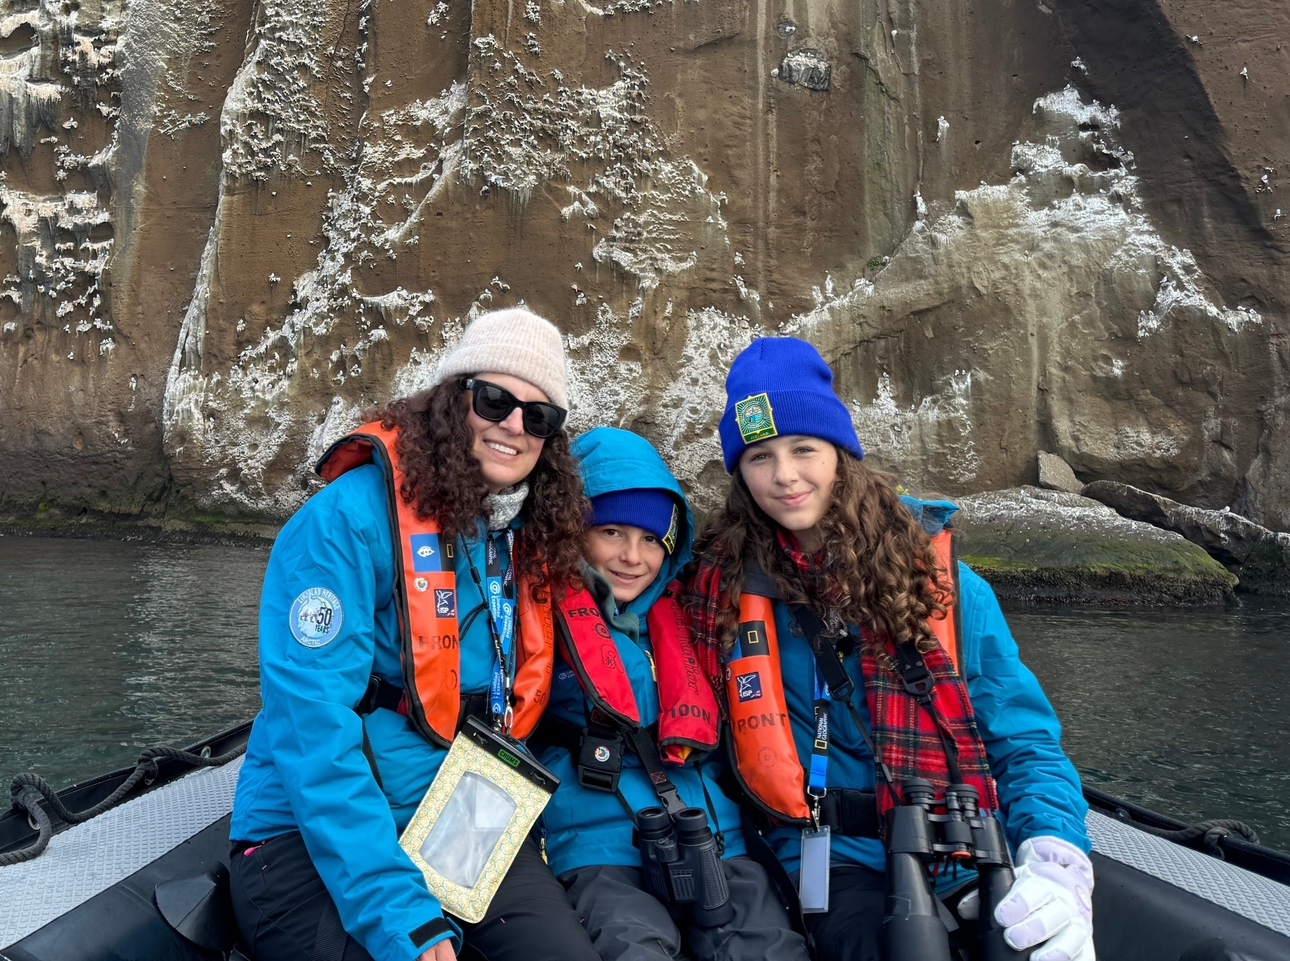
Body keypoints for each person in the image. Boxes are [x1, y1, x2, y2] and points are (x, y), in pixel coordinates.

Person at [678, 337, 1095, 961]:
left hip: (964, 845)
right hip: (830, 862)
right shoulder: (718, 591)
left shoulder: (948, 587)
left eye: (803, 449)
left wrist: (1056, 857)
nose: (785, 476)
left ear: (841, 455)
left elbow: (1023, 740)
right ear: (739, 473)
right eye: (760, 457)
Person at [228, 308, 602, 961]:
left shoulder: (515, 537)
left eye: (539, 416)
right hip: (305, 837)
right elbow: (311, 727)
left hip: (458, 820)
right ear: (449, 401)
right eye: (495, 399)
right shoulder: (343, 521)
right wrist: (401, 913)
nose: (515, 424)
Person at [534, 426, 810, 961]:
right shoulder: (535, 621)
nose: (633, 556)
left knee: (773, 950)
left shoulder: (695, 615)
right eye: (611, 532)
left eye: (650, 539)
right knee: (634, 947)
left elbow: (794, 551)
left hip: (714, 836)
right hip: (598, 845)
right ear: (572, 531)